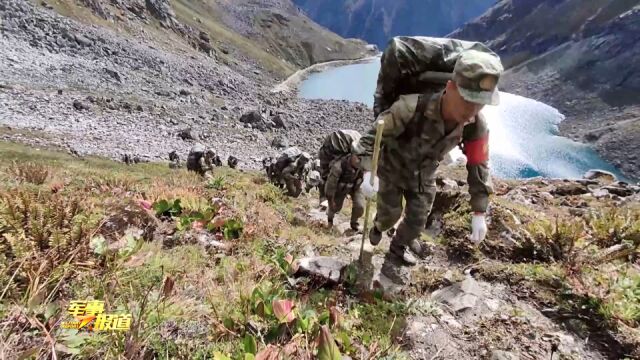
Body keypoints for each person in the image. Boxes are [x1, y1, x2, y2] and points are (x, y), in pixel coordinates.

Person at [353, 49, 502, 277]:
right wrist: (367, 172)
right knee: (389, 215)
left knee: (417, 221)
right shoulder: (409, 108)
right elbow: (369, 140)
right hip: (392, 170)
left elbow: (478, 165)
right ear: (450, 88)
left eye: (480, 103)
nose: (472, 110)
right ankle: (378, 227)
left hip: (424, 177)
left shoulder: (475, 126)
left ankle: (396, 251)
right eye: (467, 99)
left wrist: (479, 212)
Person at [318, 130, 362, 203]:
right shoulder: (329, 150)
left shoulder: (358, 146)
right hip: (330, 151)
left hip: (345, 148)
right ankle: (324, 198)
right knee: (326, 176)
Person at [325, 154, 365, 230]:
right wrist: (330, 201)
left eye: (361, 158)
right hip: (340, 188)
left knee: (360, 206)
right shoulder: (338, 167)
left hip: (355, 186)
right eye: (357, 157)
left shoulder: (363, 165)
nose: (359, 161)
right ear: (352, 155)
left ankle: (354, 223)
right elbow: (330, 187)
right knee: (334, 207)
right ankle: (330, 221)